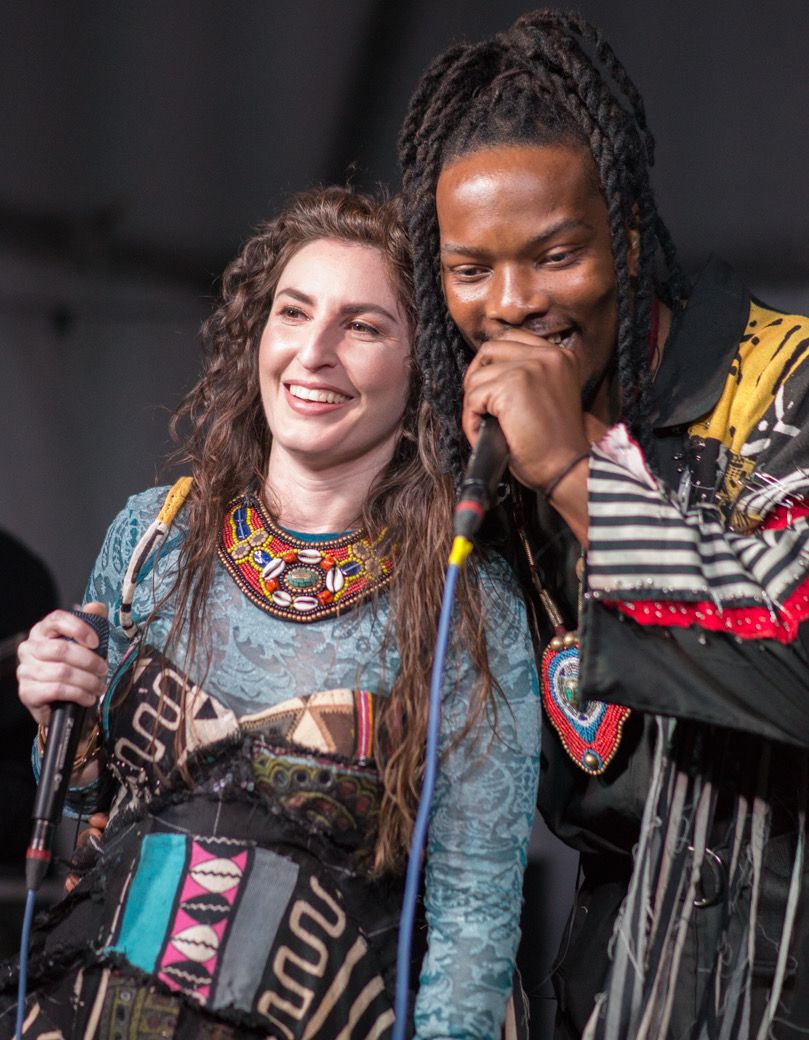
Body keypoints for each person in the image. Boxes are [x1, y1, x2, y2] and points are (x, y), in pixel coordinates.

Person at [2, 187, 541, 1040]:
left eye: (362, 327)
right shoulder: (152, 536)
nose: (313, 353)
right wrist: (56, 716)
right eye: (294, 312)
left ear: (424, 369)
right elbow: (87, 819)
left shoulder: (467, 601)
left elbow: (474, 917)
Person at [398, 10, 809, 1039]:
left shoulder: (783, 382)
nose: (509, 303)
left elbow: (796, 651)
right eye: (468, 269)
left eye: (555, 254)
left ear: (624, 233)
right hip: (608, 990)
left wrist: (577, 472)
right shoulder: (472, 460)